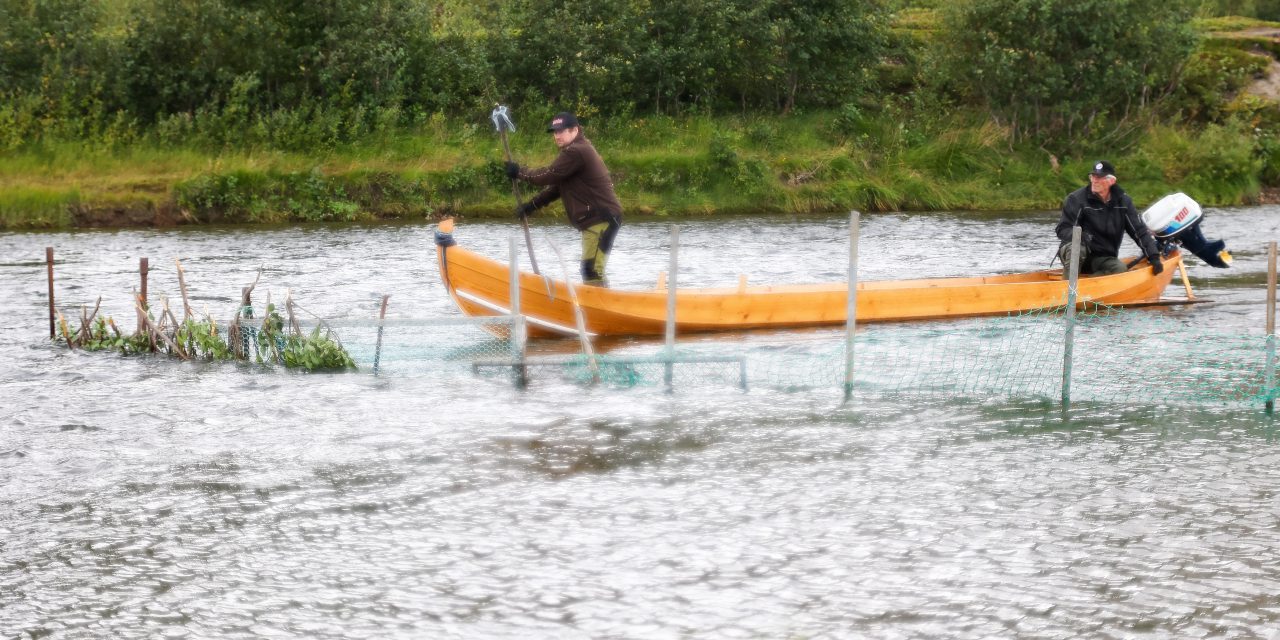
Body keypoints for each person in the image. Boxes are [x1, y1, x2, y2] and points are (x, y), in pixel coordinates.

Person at [505, 112, 623, 286]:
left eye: (561, 131)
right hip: (597, 219)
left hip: (601, 218)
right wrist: (532, 206)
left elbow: (547, 176)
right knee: (590, 269)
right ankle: (595, 308)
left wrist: (520, 172)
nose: (557, 136)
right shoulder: (576, 151)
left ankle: (599, 310)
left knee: (592, 270)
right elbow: (557, 187)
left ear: (575, 130)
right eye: (555, 132)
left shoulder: (576, 151)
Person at [1055, 160, 1163, 276]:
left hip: (1102, 258)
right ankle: (1068, 289)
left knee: (1119, 268)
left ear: (1112, 181)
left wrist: (1154, 256)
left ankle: (1090, 286)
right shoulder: (1076, 199)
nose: (1095, 180)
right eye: (1093, 176)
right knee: (1077, 248)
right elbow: (1062, 229)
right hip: (1074, 252)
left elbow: (1139, 232)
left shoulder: (1124, 202)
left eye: (1099, 177)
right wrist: (1080, 236)